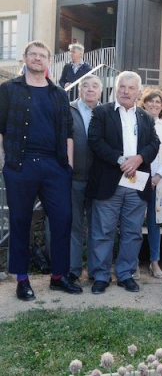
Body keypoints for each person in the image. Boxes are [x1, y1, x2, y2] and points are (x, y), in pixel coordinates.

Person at [0, 40, 82, 301]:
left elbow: (68, 131)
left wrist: (68, 166)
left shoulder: (58, 93)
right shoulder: (9, 90)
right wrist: (3, 162)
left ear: (49, 61)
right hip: (20, 165)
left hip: (54, 166)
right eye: (33, 54)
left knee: (62, 219)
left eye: (42, 55)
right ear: (24, 58)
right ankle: (22, 280)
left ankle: (58, 277)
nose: (37, 58)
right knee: (21, 221)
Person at [86, 71, 160, 295]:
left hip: (136, 185)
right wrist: (121, 160)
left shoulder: (146, 117)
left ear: (138, 92)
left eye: (130, 88)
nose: (126, 91)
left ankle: (126, 274)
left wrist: (139, 158)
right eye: (122, 87)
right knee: (102, 231)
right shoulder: (101, 112)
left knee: (132, 232)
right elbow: (94, 141)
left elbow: (154, 143)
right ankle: (100, 276)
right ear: (115, 89)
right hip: (109, 183)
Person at [67, 74, 103, 284]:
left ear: (100, 91)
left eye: (95, 86)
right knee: (74, 226)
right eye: (86, 86)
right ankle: (73, 269)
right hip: (73, 179)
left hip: (99, 181)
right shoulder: (68, 110)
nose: (90, 89)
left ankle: (96, 271)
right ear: (79, 90)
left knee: (98, 227)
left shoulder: (107, 112)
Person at [138, 88, 162, 279]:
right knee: (134, 221)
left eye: (157, 102)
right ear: (144, 102)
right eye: (150, 101)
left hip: (157, 180)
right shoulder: (136, 120)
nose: (153, 105)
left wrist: (158, 176)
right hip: (136, 178)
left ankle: (154, 262)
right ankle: (132, 263)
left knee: (154, 223)